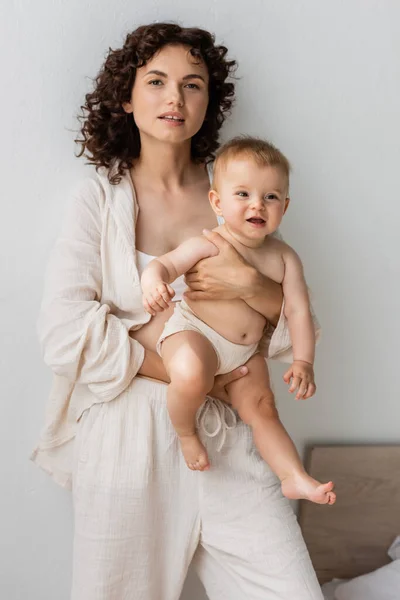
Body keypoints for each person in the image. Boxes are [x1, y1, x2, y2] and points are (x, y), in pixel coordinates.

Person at [32, 22, 325, 600]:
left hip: (230, 434)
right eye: (157, 81)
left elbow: (294, 331)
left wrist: (247, 285)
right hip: (127, 439)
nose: (175, 98)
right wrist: (194, 372)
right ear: (126, 96)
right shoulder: (100, 198)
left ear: (208, 102)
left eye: (193, 85)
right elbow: (64, 335)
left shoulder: (238, 192)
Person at [140, 135, 336, 506]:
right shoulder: (209, 243)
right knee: (191, 374)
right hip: (194, 332)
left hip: (244, 353)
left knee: (263, 407)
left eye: (270, 197)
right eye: (243, 194)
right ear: (217, 202)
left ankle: (293, 477)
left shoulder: (285, 258)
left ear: (285, 206)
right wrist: (153, 281)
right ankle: (185, 432)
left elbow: (296, 312)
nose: (257, 205)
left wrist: (304, 361)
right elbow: (165, 265)